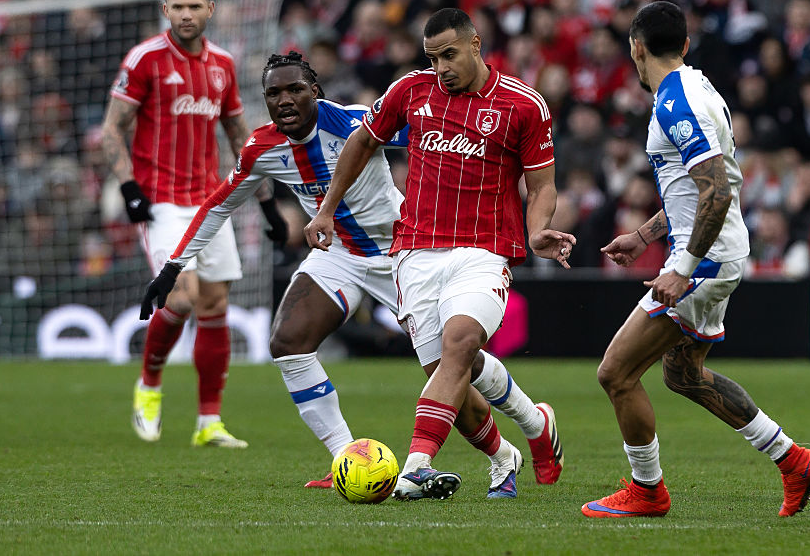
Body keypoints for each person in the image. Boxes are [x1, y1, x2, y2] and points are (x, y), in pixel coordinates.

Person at [141, 51, 566, 492]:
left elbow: (438, 137)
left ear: (315, 92)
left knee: (450, 365)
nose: (284, 100)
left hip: (404, 250)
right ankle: (348, 458)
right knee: (287, 341)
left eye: (295, 90)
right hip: (336, 252)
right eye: (274, 93)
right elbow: (217, 205)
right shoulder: (261, 148)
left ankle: (521, 431)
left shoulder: (356, 122)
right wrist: (173, 267)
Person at [304, 8, 576, 500]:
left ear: (476, 44)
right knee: (455, 376)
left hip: (484, 249)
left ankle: (415, 467)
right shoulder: (411, 90)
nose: (441, 67)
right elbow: (362, 139)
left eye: (449, 54)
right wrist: (327, 210)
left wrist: (538, 231)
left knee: (461, 342)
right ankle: (520, 440)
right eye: (432, 58)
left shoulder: (522, 104)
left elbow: (541, 186)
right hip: (413, 252)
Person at [581, 1, 810, 520]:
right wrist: (645, 235)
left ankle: (647, 491)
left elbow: (714, 191)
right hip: (715, 249)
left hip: (706, 259)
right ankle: (794, 460)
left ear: (636, 47)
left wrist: (683, 268)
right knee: (683, 375)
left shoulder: (675, 102)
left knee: (616, 373)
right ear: (686, 45)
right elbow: (699, 192)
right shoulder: (699, 86)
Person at [100, 0, 285, 449]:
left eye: (194, 6)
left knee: (215, 305)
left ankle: (209, 422)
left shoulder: (223, 64)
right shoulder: (144, 59)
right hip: (160, 201)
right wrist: (127, 187)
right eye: (177, 6)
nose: (186, 14)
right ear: (166, 10)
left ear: (210, 10)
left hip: (211, 203)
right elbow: (111, 129)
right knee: (180, 298)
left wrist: (266, 204)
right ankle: (150, 383)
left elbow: (241, 140)